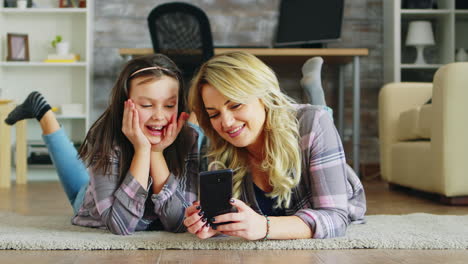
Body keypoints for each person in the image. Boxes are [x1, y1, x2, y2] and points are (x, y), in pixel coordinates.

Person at [4, 54, 203, 235]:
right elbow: (121, 225)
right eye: (146, 105)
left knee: (83, 183)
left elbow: (179, 223)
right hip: (93, 200)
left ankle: (42, 110)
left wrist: (157, 154)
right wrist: (143, 150)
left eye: (169, 105)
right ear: (126, 103)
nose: (159, 116)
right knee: (80, 194)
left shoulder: (188, 137)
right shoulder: (106, 136)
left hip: (103, 184)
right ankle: (45, 115)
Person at [183, 51, 366, 240]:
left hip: (312, 152)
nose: (226, 123)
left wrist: (265, 226)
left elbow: (335, 218)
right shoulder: (219, 145)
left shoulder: (314, 123)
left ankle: (314, 91)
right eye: (214, 114)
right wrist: (218, 225)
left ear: (264, 95)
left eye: (236, 105)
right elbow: (239, 219)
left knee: (320, 116)